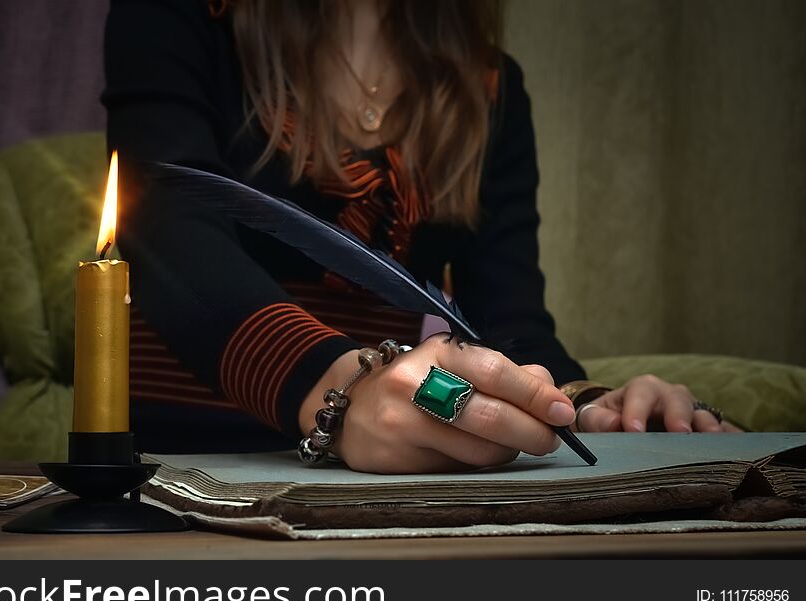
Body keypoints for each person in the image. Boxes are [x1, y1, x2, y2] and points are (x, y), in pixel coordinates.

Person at [102, 0, 734, 474]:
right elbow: (173, 237)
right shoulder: (177, 17)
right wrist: (340, 393)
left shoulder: (490, 88)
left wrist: (584, 403)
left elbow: (508, 320)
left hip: (380, 477)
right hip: (185, 462)